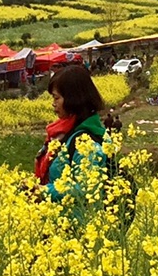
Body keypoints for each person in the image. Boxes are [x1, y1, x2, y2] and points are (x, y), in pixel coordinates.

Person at [35, 63, 113, 219]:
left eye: (56, 97)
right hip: (58, 223)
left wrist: (43, 191)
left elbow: (85, 187)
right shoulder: (64, 133)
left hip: (79, 229)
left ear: (73, 99)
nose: (53, 103)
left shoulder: (87, 141)